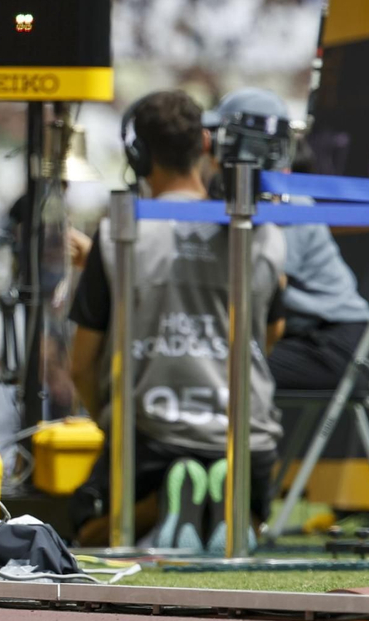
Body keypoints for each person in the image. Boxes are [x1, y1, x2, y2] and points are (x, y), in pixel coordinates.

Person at [66, 90, 286, 552]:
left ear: (137, 155)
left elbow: (81, 365)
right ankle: (232, 506)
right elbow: (272, 332)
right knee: (240, 473)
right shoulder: (261, 231)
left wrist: (112, 424)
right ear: (206, 144)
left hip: (153, 440)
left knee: (81, 532)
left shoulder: (116, 236)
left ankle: (164, 506)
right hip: (248, 440)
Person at [205, 91, 369, 392]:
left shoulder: (288, 204)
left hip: (332, 345)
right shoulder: (253, 200)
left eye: (223, 136)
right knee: (209, 362)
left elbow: (269, 281)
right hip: (304, 337)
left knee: (213, 367)